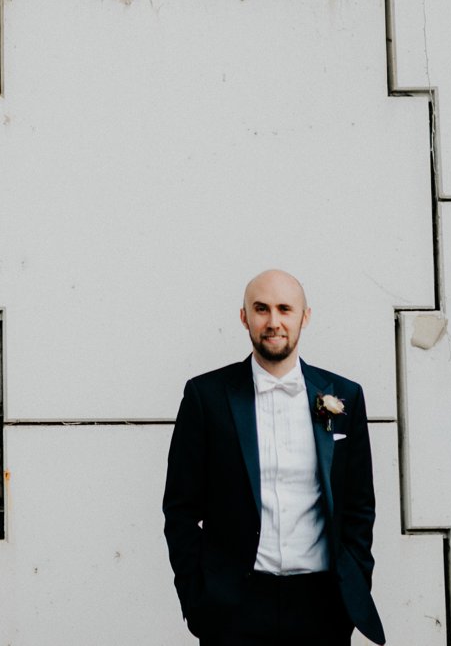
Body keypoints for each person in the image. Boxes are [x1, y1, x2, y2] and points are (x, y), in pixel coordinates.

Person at [162, 270, 385, 645]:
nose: (273, 321)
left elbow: (359, 506)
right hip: (234, 607)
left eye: (285, 309)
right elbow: (180, 508)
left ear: (305, 316)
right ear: (244, 317)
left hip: (322, 605)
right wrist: (197, 596)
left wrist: (355, 580)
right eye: (261, 309)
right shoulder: (207, 396)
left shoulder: (345, 396)